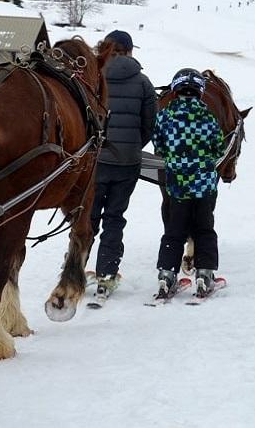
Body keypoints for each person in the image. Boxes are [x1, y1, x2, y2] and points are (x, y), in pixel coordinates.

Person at [89, 30, 157, 297]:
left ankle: (73, 270)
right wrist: (131, 147)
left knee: (88, 218)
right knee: (114, 219)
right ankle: (106, 273)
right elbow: (149, 124)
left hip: (94, 160)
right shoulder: (143, 83)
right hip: (127, 162)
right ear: (129, 51)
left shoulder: (93, 77)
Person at [152, 68, 224, 299]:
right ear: (200, 92)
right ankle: (204, 274)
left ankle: (166, 276)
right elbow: (219, 148)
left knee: (174, 230)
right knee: (204, 228)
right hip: (204, 185)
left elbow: (159, 145)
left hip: (177, 185)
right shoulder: (209, 117)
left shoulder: (165, 116)